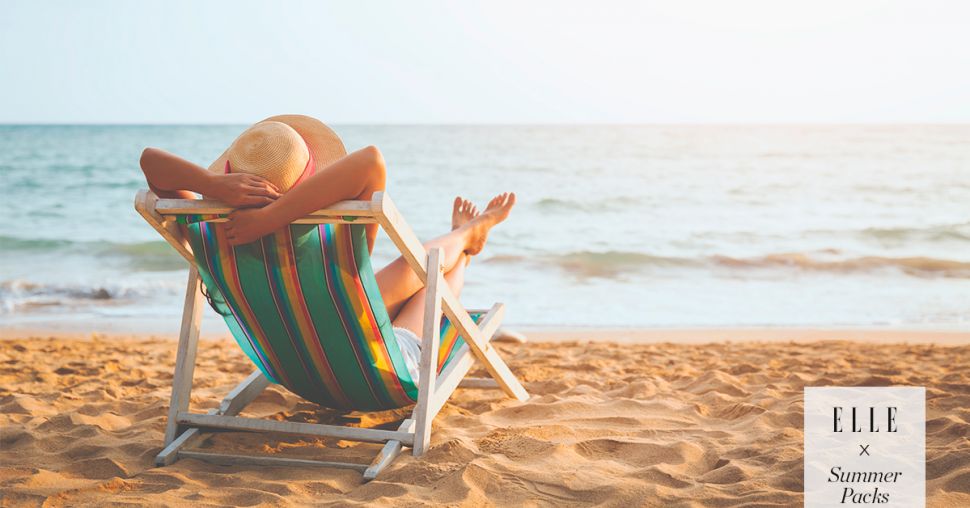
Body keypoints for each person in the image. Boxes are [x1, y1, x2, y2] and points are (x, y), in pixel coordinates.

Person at [139, 114, 515, 382]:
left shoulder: (212, 236)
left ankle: (467, 234)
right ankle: (467, 240)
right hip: (373, 366)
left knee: (413, 268)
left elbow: (150, 162)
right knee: (433, 272)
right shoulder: (326, 247)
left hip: (294, 366)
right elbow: (371, 160)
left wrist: (215, 186)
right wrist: (272, 218)